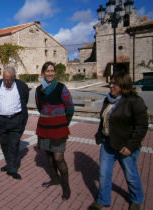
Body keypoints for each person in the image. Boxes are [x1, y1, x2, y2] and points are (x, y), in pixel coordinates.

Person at [88, 71, 148, 210]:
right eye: (110, 82)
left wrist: (130, 146)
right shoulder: (108, 99)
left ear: (123, 85)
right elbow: (104, 119)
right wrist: (100, 134)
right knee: (104, 174)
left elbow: (142, 125)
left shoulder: (134, 101)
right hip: (108, 143)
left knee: (131, 175)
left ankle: (136, 199)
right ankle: (103, 200)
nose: (111, 85)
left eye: (114, 83)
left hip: (125, 145)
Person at [35, 61, 74, 201]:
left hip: (59, 129)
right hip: (44, 127)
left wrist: (64, 124)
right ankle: (55, 180)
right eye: (47, 71)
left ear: (55, 72)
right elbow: (40, 108)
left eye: (52, 71)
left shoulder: (61, 88)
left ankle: (66, 187)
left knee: (59, 158)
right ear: (43, 73)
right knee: (49, 158)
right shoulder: (38, 90)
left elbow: (70, 108)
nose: (50, 73)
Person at [0, 66, 29, 180]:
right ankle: (9, 164)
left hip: (16, 120)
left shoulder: (21, 86)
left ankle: (12, 169)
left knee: (13, 145)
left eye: (9, 80)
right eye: (5, 79)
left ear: (14, 78)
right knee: (4, 144)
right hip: (1, 121)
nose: (6, 82)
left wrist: (21, 119)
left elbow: (25, 100)